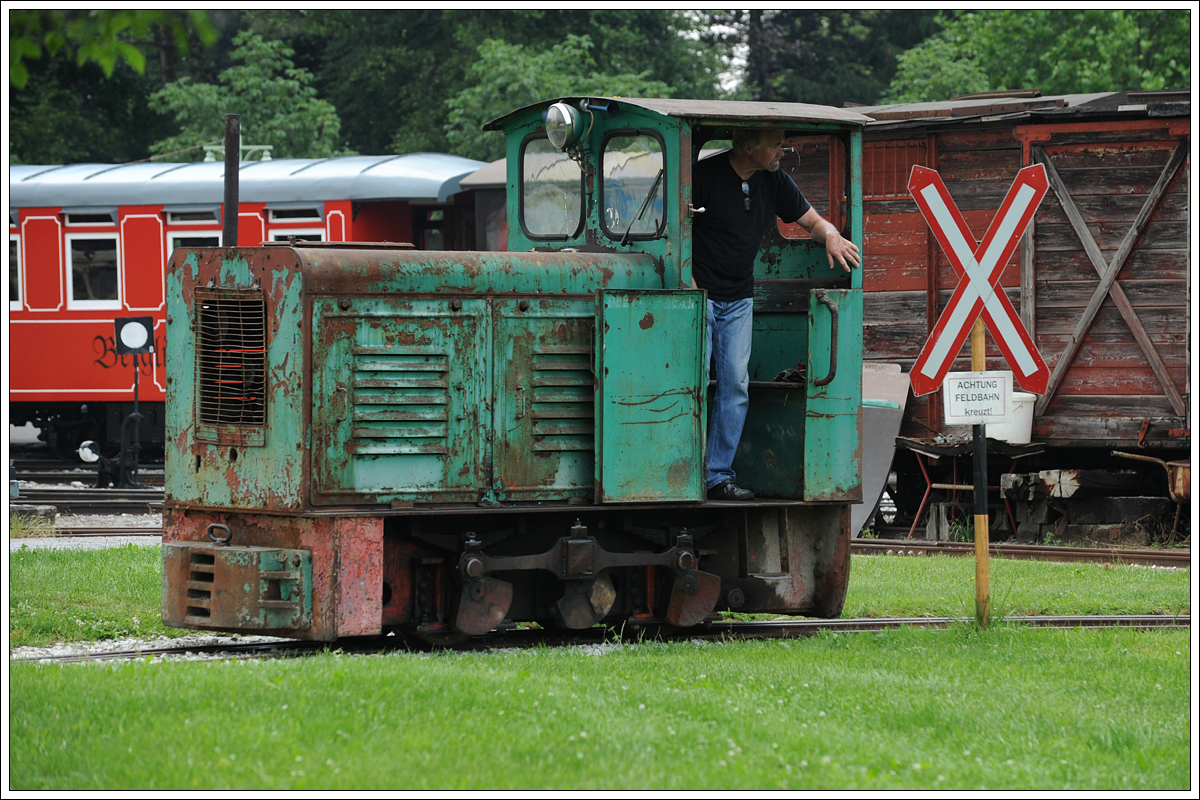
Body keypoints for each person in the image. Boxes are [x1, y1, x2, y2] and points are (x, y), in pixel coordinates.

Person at [692, 127, 861, 501]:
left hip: (739, 298)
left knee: (735, 385)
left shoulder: (775, 181)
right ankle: (685, 473)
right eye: (774, 144)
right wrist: (688, 284)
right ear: (747, 146)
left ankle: (717, 476)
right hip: (697, 296)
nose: (782, 151)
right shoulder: (702, 176)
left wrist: (831, 234)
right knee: (694, 383)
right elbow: (675, 230)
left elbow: (814, 222)